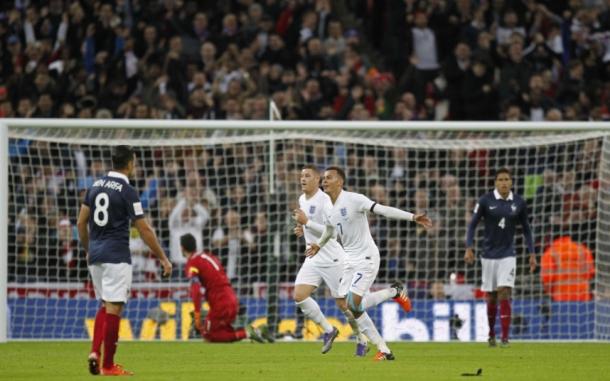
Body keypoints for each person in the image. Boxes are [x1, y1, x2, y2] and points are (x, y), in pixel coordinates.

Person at [306, 166, 431, 361]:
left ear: (340, 181)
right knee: (348, 304)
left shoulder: (355, 199)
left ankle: (383, 348)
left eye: (328, 178)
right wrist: (318, 245)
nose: (324, 181)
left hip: (367, 257)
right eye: (323, 178)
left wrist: (412, 217)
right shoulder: (328, 208)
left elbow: (383, 210)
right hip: (349, 260)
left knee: (353, 303)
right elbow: (330, 230)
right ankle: (394, 294)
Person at [77, 145, 172, 376]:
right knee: (114, 308)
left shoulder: (95, 185)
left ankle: (94, 353)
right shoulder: (127, 190)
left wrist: (88, 249)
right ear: (130, 163)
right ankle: (108, 365)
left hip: (96, 256)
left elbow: (81, 223)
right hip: (117, 256)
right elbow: (144, 228)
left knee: (104, 304)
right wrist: (163, 257)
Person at [465, 168, 537, 347]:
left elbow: (526, 229)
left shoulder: (519, 202)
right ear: (495, 183)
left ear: (511, 182)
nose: (504, 182)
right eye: (500, 180)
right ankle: (491, 334)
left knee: (504, 291)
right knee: (491, 296)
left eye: (507, 179)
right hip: (488, 255)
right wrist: (469, 247)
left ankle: (505, 337)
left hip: (508, 255)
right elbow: (472, 225)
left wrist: (532, 253)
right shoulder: (485, 201)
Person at [180, 233, 273, 343]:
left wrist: (197, 314)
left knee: (209, 335)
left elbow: (196, 291)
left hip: (220, 302)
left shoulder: (192, 263)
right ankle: (259, 331)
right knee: (222, 331)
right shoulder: (209, 256)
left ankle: (247, 333)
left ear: (182, 248)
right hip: (231, 298)